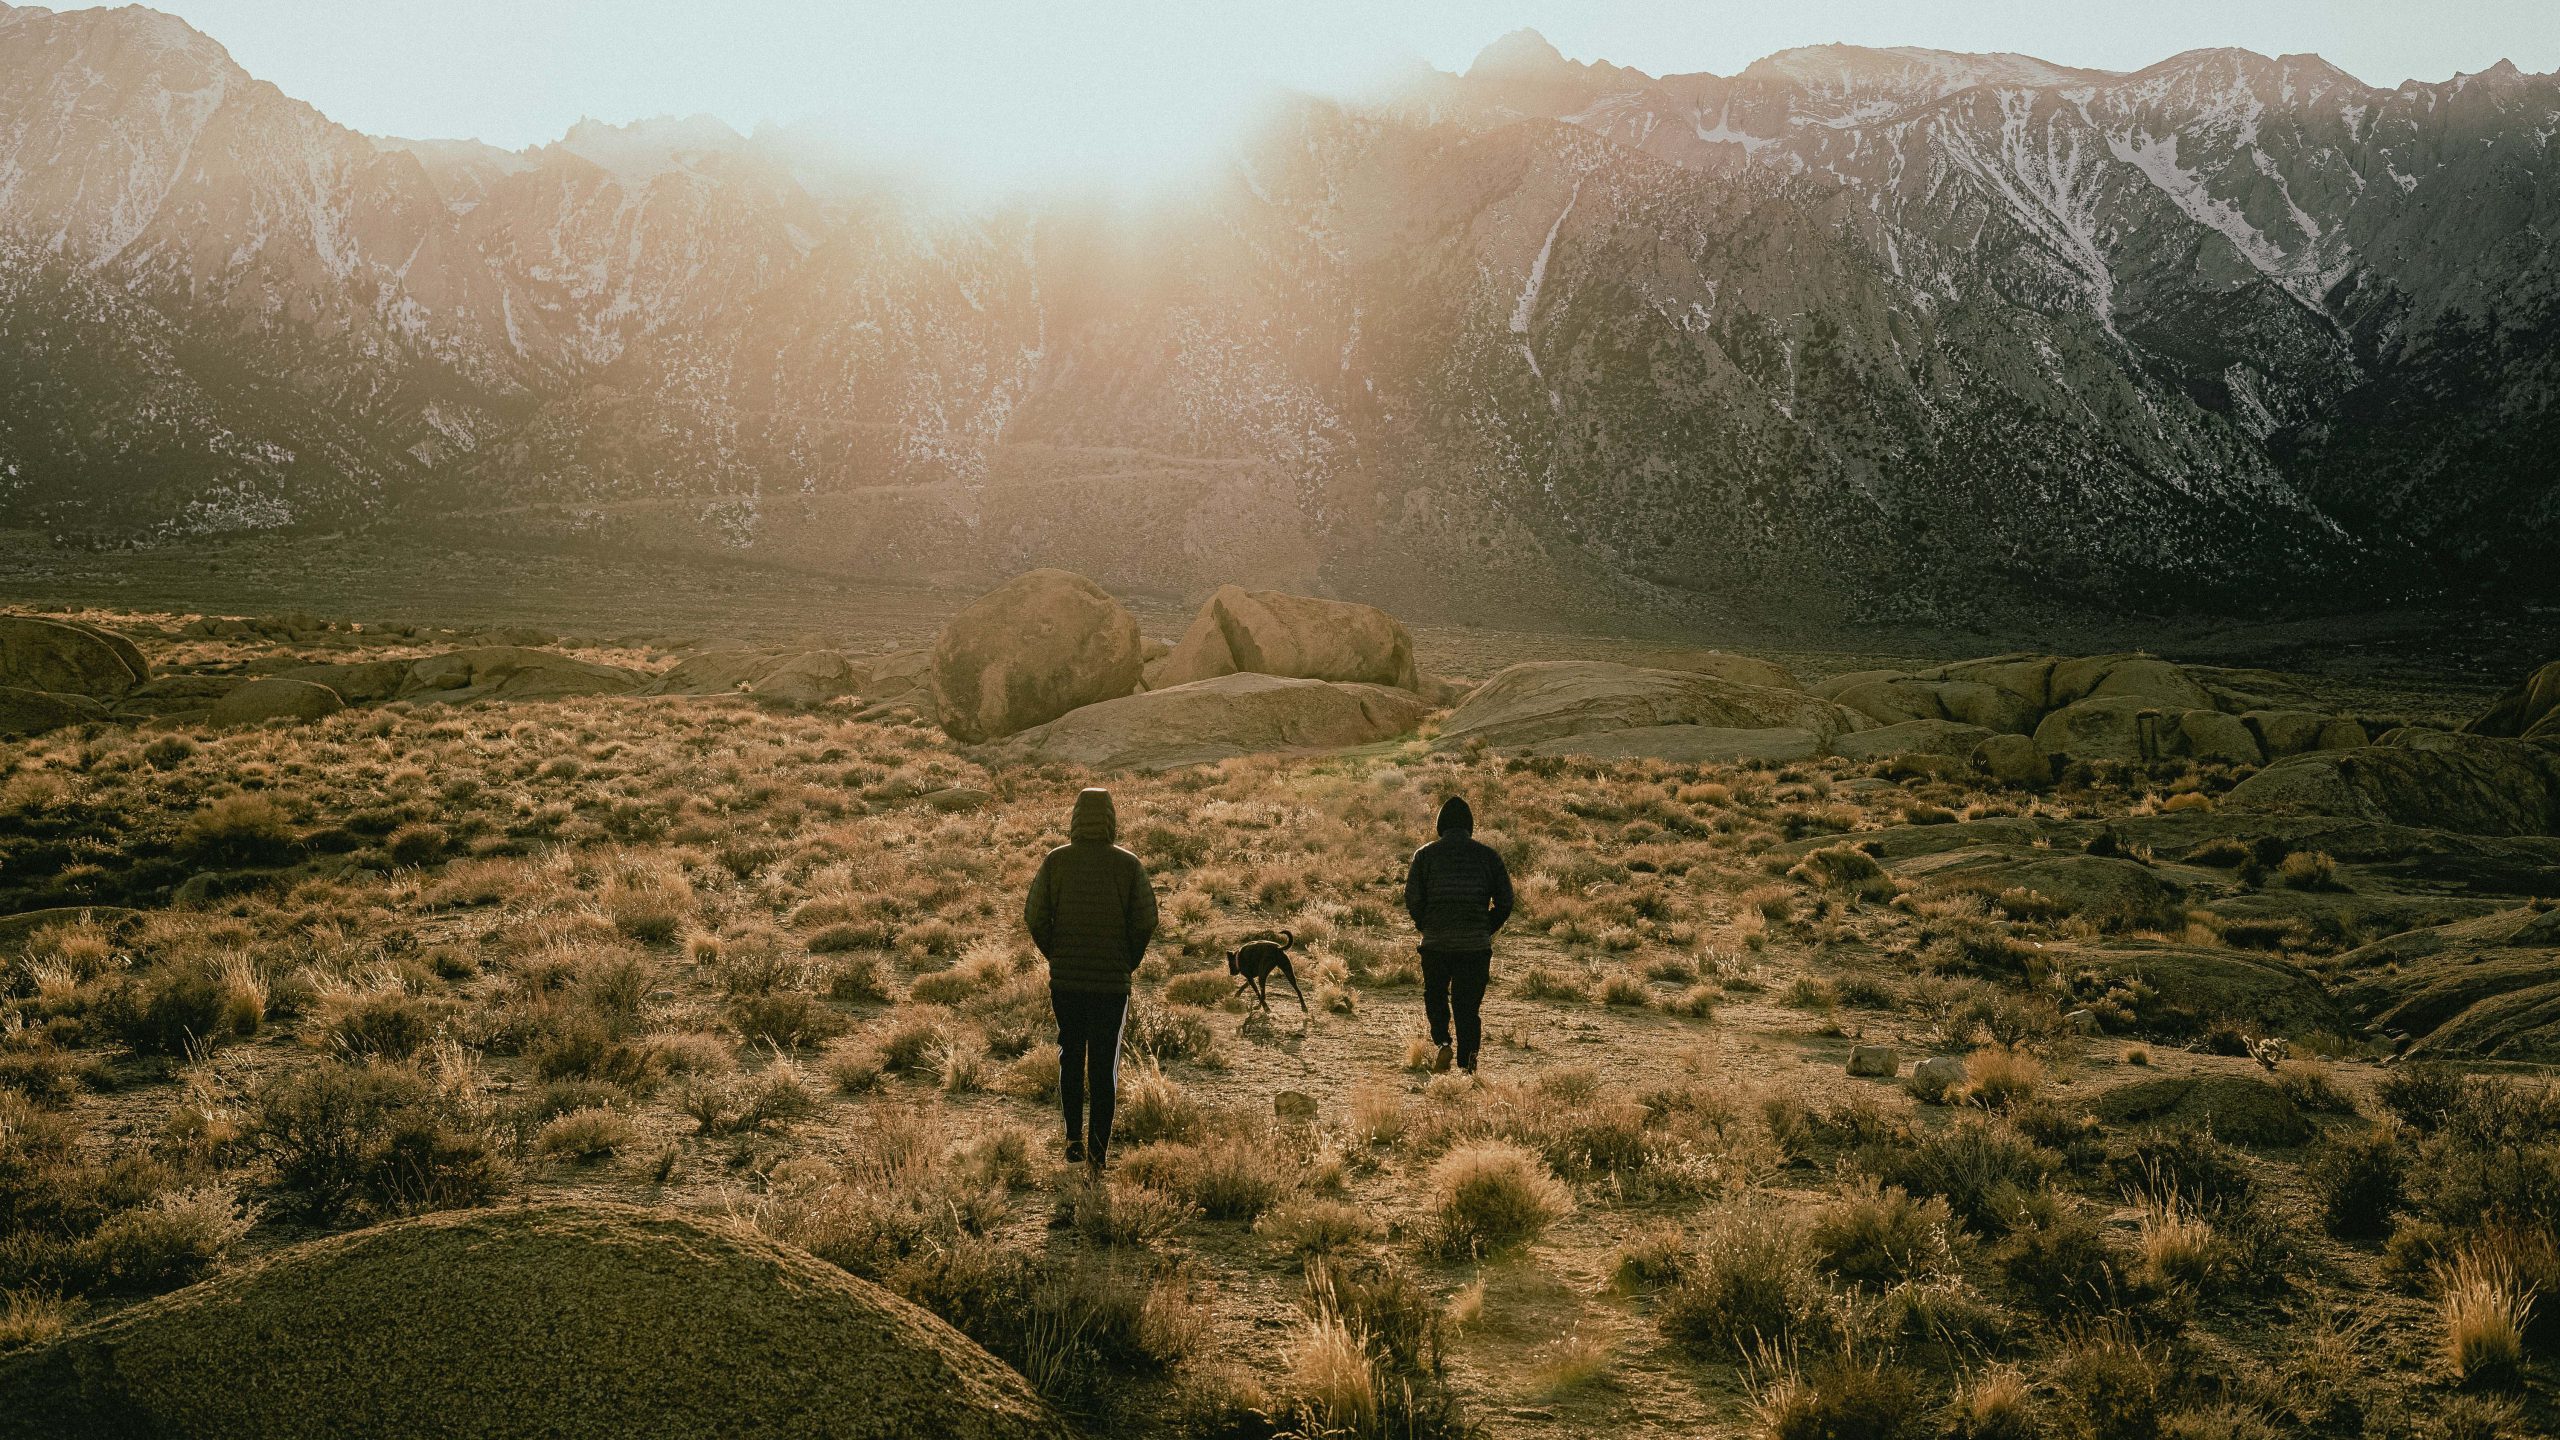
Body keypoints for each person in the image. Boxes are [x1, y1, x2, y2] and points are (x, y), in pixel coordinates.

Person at [1024, 787, 1158, 1177]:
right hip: (1111, 986)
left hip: (1066, 982)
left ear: (1076, 818)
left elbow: (1034, 916)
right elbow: (1146, 921)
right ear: (1112, 819)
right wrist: (1126, 962)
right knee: (1104, 1066)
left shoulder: (1056, 862)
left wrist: (1057, 956)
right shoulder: (1128, 866)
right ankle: (1098, 1157)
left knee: (1070, 1054)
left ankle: (1072, 1140)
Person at [1403, 795, 1514, 1074]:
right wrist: (1485, 927)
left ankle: (1442, 1042)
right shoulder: (1488, 856)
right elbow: (1506, 901)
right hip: (1474, 946)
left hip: (1436, 943)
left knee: (1436, 996)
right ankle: (1468, 1065)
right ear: (1470, 825)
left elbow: (1412, 898)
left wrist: (1427, 924)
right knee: (1467, 1007)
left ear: (1440, 824)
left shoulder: (1425, 855)